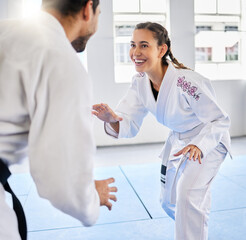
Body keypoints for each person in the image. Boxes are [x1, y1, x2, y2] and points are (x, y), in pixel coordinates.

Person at [92, 22, 231, 240]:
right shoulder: (140, 83)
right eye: (133, 45)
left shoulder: (187, 82)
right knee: (169, 202)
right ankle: (192, 221)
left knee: (188, 196)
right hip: (179, 143)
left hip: (208, 141)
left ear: (161, 50)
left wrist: (199, 145)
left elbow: (219, 119)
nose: (136, 52)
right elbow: (128, 121)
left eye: (144, 45)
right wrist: (111, 119)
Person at [0, 1, 117, 240]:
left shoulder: (5, 29)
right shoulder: (60, 60)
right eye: (99, 14)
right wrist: (91, 197)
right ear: (88, 9)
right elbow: (60, 180)